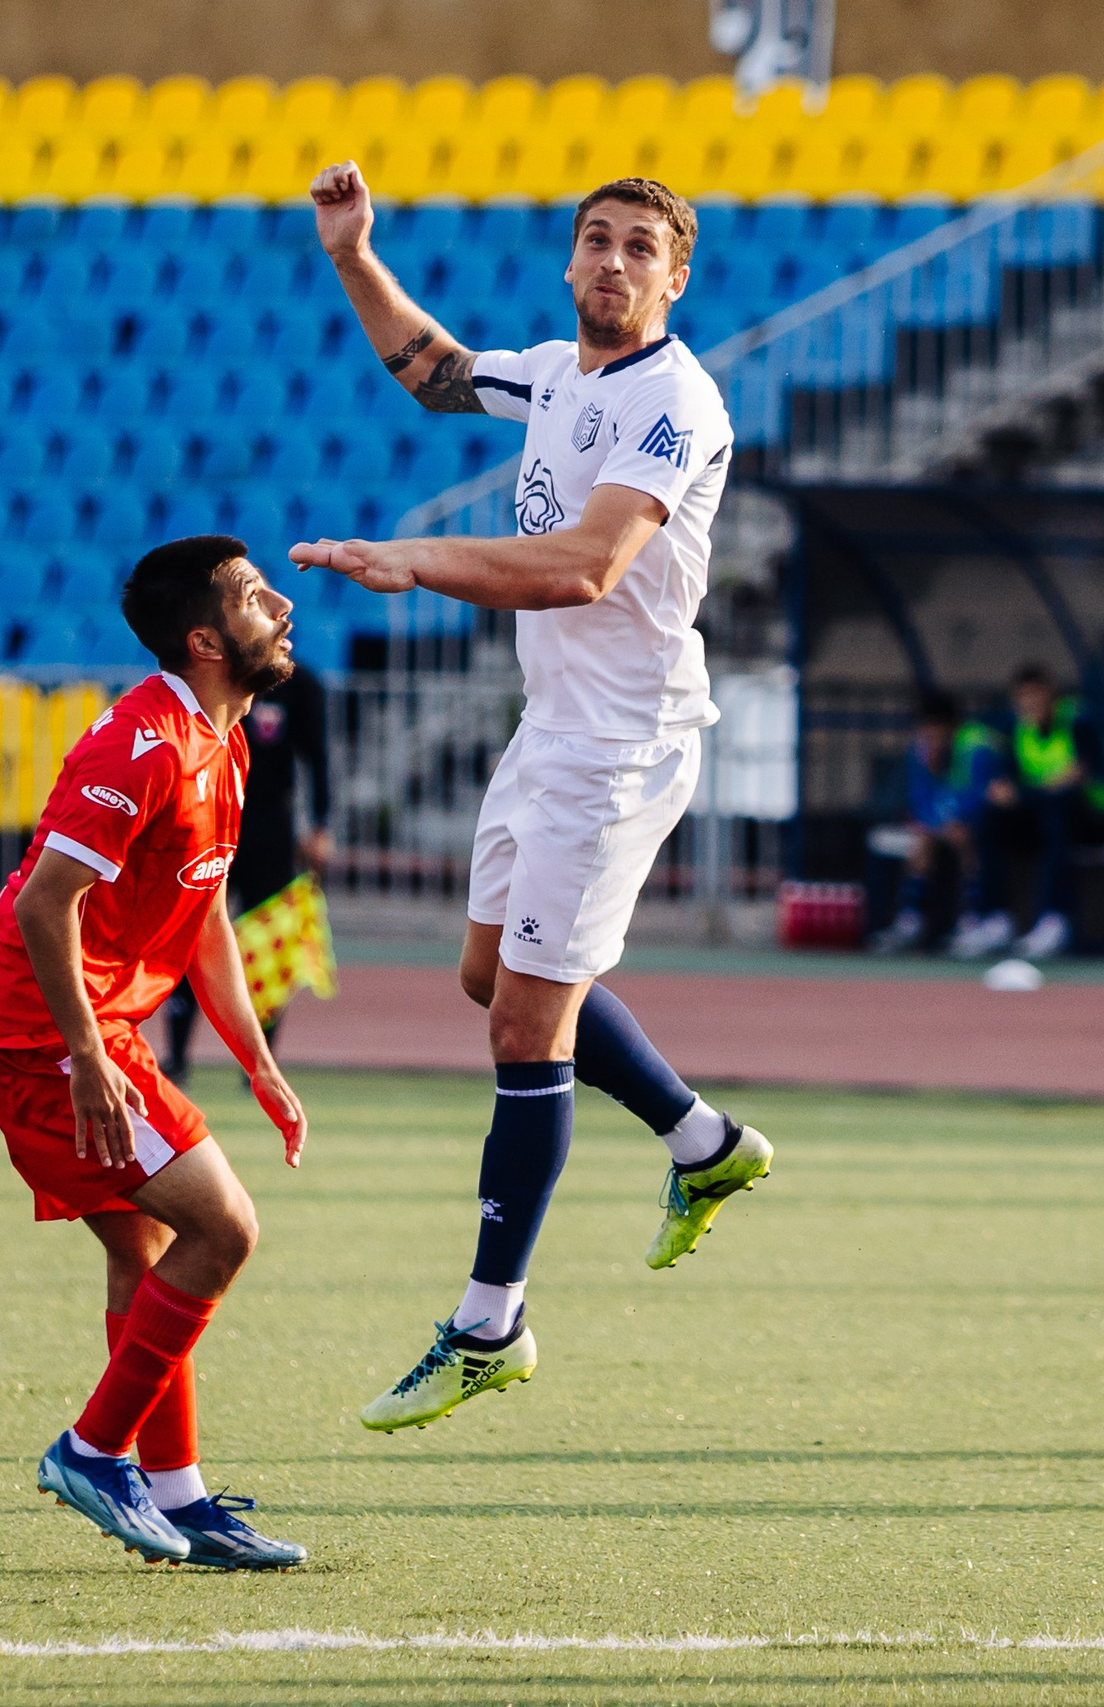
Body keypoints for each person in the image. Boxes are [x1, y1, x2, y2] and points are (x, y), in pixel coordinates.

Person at [292, 164, 773, 1432]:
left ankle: (487, 1324)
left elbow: (585, 567)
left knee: (523, 1031)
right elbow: (438, 370)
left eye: (638, 249)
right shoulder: (562, 373)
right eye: (595, 242)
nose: (612, 262)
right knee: (485, 980)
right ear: (569, 264)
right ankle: (701, 1142)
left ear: (676, 279)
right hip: (551, 727)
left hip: (621, 746)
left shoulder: (676, 402)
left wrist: (414, 560)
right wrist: (353, 255)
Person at [0, 536, 311, 1570]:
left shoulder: (223, 739)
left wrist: (256, 1059)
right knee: (224, 1229)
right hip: (40, 1038)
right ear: (205, 641)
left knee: (142, 1253)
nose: (280, 605)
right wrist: (85, 1055)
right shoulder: (140, 745)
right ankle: (93, 1453)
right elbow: (46, 905)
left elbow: (201, 917)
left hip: (74, 1031)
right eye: (251, 597)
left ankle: (176, 1493)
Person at [160, 656, 334, 1083]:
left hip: (270, 828)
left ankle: (259, 1063)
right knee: (188, 932)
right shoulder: (210, 675)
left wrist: (321, 823)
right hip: (207, 816)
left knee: (268, 941)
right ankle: (177, 1053)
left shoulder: (301, 684)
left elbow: (318, 756)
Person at [977, 662, 1104, 961]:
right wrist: (1005, 793)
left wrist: (1023, 794)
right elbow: (1007, 785)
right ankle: (996, 919)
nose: (1029, 703)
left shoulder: (1079, 721)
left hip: (1102, 818)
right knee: (990, 818)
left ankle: (1054, 920)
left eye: (1036, 695)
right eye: (1023, 697)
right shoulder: (1017, 729)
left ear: (1051, 694)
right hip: (1044, 813)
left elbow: (1075, 776)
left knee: (1058, 812)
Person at [872, 688, 1001, 954]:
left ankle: (972, 922)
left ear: (951, 726)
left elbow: (979, 798)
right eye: (925, 728)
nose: (930, 736)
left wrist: (955, 821)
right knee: (921, 839)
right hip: (942, 826)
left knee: (967, 838)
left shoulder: (977, 747)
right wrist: (935, 823)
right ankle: (910, 922)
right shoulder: (919, 751)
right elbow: (919, 803)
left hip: (986, 825)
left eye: (936, 728)